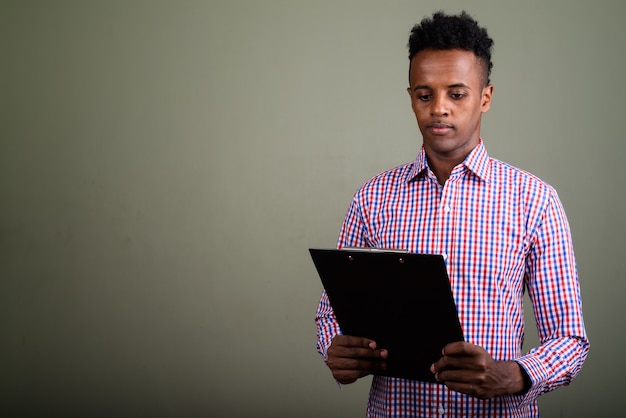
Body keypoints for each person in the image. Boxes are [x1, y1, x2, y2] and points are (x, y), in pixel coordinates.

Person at [314, 11, 589, 417]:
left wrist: (515, 375)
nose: (439, 109)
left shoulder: (535, 201)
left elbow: (569, 338)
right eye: (425, 95)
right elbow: (330, 313)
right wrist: (335, 349)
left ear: (485, 97)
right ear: (411, 98)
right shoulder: (372, 199)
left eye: (456, 94)